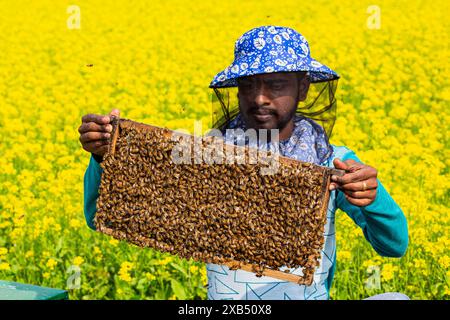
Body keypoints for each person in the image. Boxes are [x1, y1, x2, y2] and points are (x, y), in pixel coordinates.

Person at [78, 25, 409, 300]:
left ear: (304, 88)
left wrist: (372, 196)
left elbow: (394, 246)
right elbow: (103, 218)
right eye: (248, 85)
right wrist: (104, 158)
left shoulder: (331, 161)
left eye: (276, 84)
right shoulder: (207, 155)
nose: (260, 97)